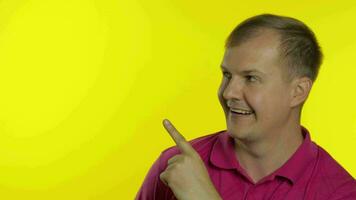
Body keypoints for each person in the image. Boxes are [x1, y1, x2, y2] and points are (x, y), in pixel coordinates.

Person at [135, 13, 356, 200]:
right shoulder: (175, 166)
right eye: (227, 75)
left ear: (298, 91)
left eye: (250, 78)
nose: (228, 92)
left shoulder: (340, 192)